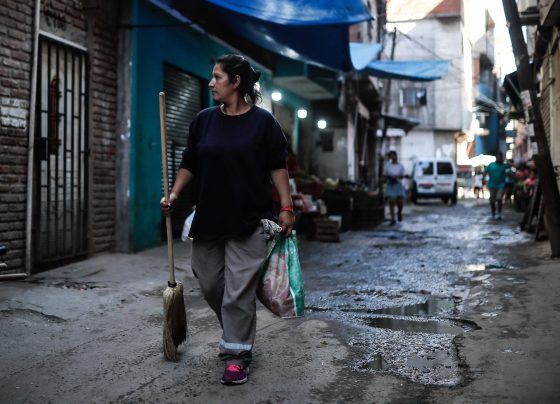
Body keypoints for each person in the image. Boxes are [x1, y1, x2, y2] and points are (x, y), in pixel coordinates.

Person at [160, 54, 294, 386]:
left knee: (237, 291)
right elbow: (190, 162)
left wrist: (286, 207)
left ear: (236, 82)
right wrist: (174, 195)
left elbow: (278, 166)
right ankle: (239, 328)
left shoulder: (264, 123)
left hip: (249, 218)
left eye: (217, 77)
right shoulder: (203, 120)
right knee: (209, 282)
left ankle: (236, 355)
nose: (210, 83)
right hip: (209, 214)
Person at [383, 151, 407, 225]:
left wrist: (398, 177)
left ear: (396, 156)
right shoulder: (387, 166)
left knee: (400, 201)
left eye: (394, 156)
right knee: (392, 200)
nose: (393, 157)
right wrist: (389, 178)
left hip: (398, 184)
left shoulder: (400, 166)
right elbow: (384, 175)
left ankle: (399, 212)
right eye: (391, 156)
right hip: (390, 184)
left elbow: (404, 175)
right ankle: (392, 218)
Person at [484, 151, 509, 220]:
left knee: (499, 198)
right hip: (492, 185)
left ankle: (499, 213)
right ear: (496, 158)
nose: (498, 158)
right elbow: (485, 172)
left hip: (501, 185)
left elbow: (510, 170)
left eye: (500, 157)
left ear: (501, 158)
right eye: (497, 157)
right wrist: (483, 180)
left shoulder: (504, 166)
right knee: (492, 200)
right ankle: (493, 211)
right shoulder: (491, 165)